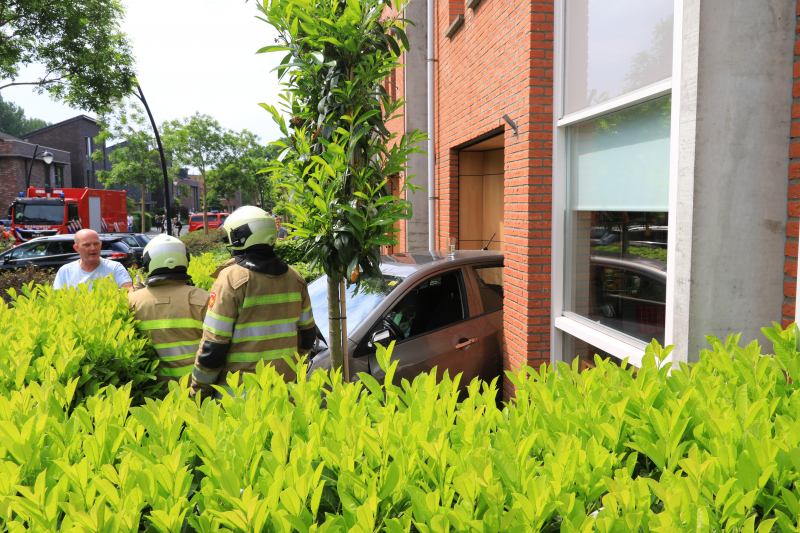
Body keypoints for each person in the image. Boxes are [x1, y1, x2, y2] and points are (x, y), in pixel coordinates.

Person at [189, 206, 316, 399]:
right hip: (285, 396)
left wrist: (198, 394)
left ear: (239, 237)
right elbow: (307, 336)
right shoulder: (296, 279)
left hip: (240, 402)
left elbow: (213, 347)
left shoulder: (230, 280)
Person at [129, 235, 210, 385]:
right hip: (196, 386)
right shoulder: (204, 298)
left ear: (147, 263)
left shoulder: (132, 301)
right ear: (185, 260)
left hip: (153, 389)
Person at [53, 229, 133, 290]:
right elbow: (57, 300)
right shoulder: (65, 271)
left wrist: (110, 289)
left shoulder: (115, 268)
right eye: (87, 245)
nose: (93, 248)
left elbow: (129, 294)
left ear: (100, 244)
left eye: (96, 244)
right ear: (76, 248)